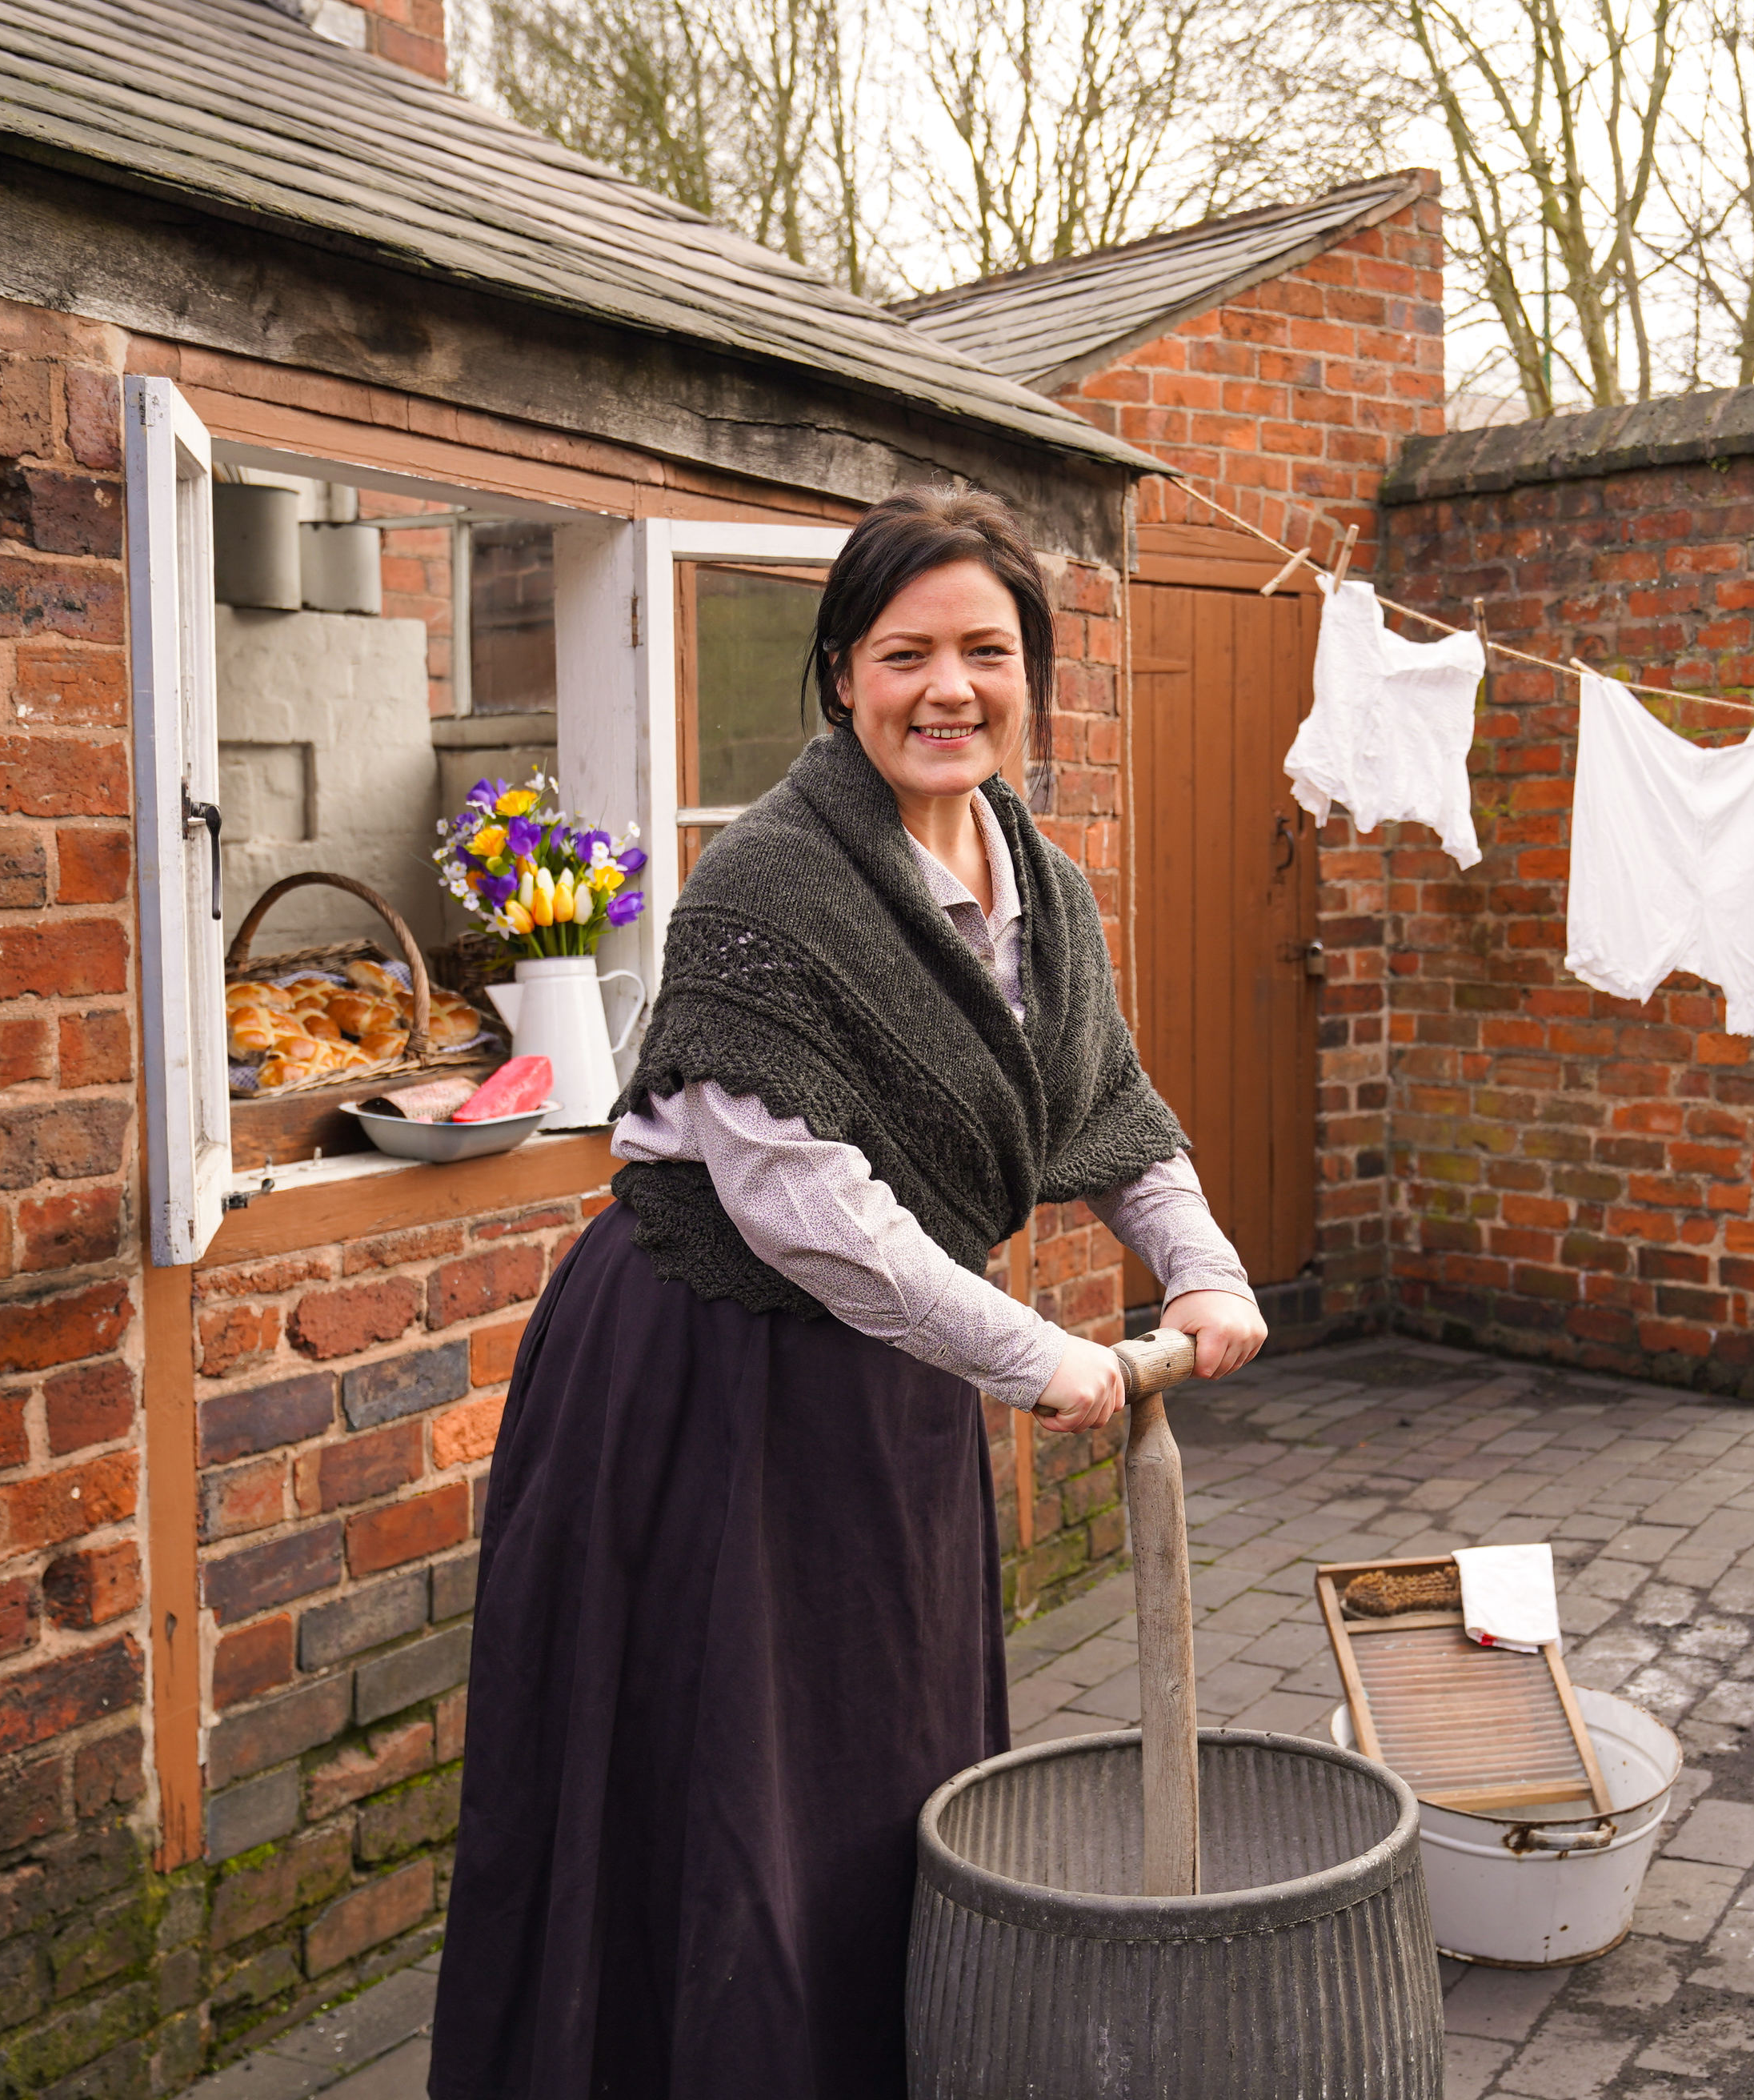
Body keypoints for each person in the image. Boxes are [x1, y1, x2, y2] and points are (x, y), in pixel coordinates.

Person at [428, 488, 1269, 2099]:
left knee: (884, 1771)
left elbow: (1114, 1115)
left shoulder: (1049, 894)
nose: (948, 689)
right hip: (700, 1377)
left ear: (1032, 675)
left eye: (986, 651)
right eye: (907, 655)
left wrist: (1206, 1266)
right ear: (840, 677)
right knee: (716, 1783)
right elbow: (800, 1207)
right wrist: (1036, 1351)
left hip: (892, 1383)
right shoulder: (768, 887)